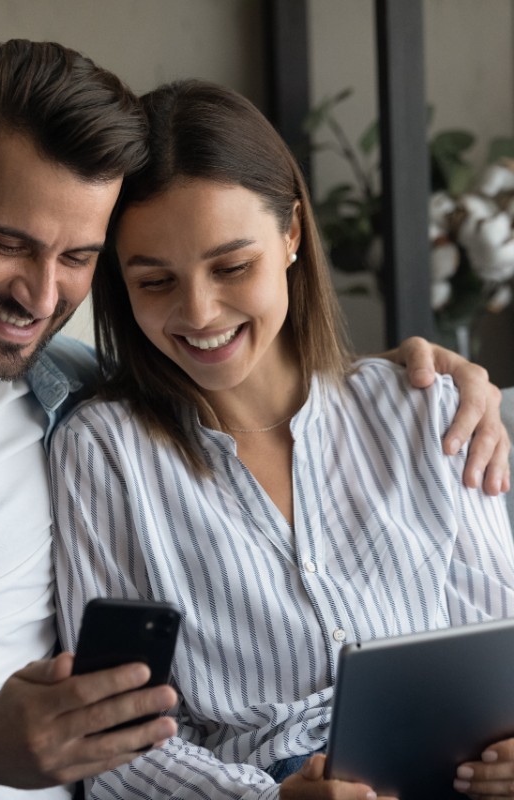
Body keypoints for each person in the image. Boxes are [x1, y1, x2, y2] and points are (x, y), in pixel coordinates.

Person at [0, 35, 504, 800]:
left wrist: (429, 378)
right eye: (9, 243)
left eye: (78, 258)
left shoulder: (68, 389)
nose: (40, 296)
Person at [50, 79, 514, 800]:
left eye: (232, 267)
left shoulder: (428, 410)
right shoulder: (104, 452)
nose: (199, 313)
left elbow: (501, 649)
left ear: (292, 234)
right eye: (154, 282)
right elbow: (110, 745)